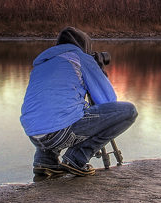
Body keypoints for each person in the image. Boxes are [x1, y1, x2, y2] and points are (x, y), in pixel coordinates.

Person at [20, 27, 137, 178]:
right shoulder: (79, 58)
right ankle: (76, 158)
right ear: (84, 45)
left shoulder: (42, 64)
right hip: (61, 132)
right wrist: (98, 70)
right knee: (129, 111)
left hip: (34, 134)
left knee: (58, 112)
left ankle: (45, 161)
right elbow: (107, 101)